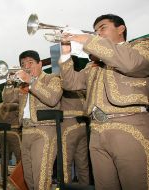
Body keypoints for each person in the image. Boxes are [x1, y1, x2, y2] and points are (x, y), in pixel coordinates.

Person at [59, 14, 149, 189]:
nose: (97, 33)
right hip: (96, 131)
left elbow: (131, 64)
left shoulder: (140, 46)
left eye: (102, 28)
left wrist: (87, 39)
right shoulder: (93, 65)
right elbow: (71, 83)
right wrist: (65, 53)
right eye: (95, 31)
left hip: (129, 125)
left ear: (121, 29)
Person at [16, 50, 63, 190]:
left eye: (30, 62)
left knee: (41, 177)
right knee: (28, 177)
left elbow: (53, 99)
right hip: (25, 132)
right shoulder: (22, 85)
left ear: (40, 64)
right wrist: (9, 82)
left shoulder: (53, 78)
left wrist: (31, 82)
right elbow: (7, 99)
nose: (27, 66)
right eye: (23, 64)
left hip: (44, 131)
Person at [60, 90, 89, 185]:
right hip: (83, 125)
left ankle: (66, 188)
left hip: (68, 125)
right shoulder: (81, 88)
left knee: (65, 164)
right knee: (83, 164)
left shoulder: (63, 84)